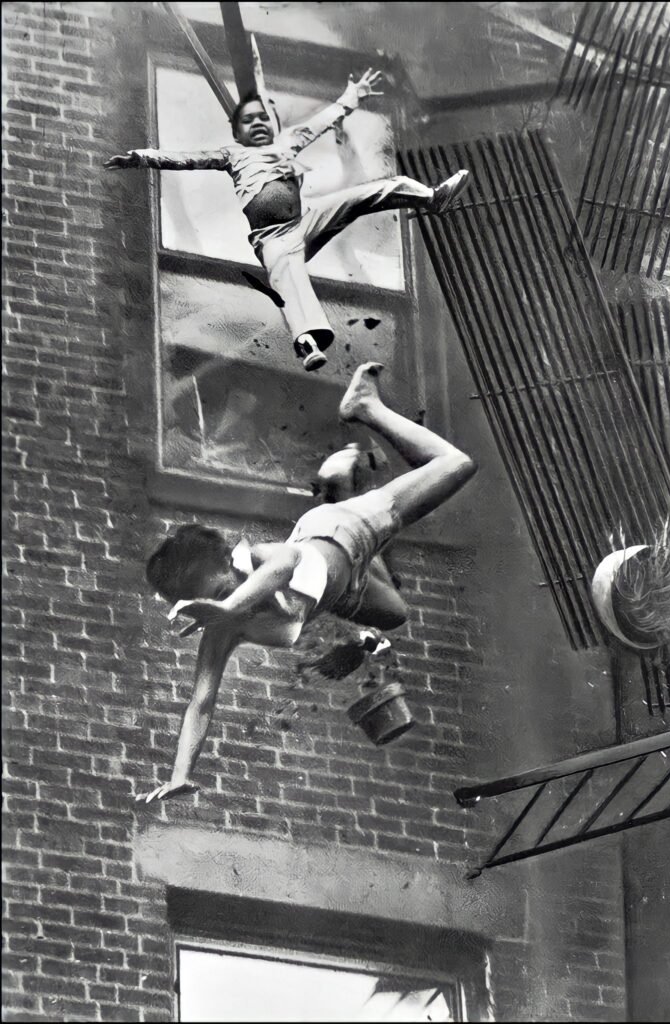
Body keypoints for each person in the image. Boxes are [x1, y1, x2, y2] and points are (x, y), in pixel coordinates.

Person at [138, 362, 477, 802]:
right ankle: (340, 482)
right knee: (396, 614)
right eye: (212, 603)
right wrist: (180, 774)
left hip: (347, 531)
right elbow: (200, 701)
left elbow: (287, 563)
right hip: (344, 588)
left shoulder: (258, 560)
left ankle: (366, 408)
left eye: (223, 589)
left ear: (230, 560)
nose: (228, 601)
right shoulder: (222, 629)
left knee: (454, 464)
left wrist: (228, 606)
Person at [105, 68, 470, 371]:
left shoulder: (287, 144)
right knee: (289, 279)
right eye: (248, 121)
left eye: (263, 117)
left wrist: (352, 96)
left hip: (306, 221)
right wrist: (140, 157)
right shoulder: (230, 154)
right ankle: (307, 343)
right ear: (237, 132)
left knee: (374, 191)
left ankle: (431, 198)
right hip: (273, 238)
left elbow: (323, 121)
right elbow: (185, 158)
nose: (258, 123)